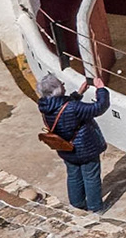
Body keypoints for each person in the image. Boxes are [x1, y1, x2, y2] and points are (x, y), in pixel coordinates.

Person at [38, 72, 111, 213]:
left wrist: (79, 93)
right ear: (57, 90)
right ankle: (95, 208)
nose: (63, 86)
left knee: (73, 175)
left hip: (66, 147)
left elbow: (63, 106)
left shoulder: (45, 106)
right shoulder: (73, 107)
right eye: (61, 85)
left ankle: (77, 205)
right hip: (85, 147)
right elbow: (99, 107)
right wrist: (101, 89)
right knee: (91, 176)